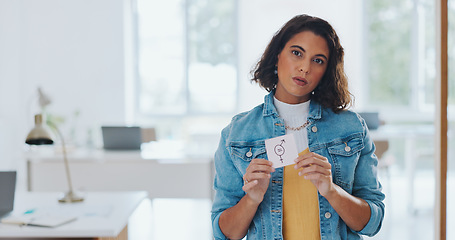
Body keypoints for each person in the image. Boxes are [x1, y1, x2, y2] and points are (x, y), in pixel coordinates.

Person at [211, 14, 385, 240]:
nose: (304, 67)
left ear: (326, 71)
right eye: (297, 53)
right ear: (277, 56)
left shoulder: (351, 128)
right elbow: (223, 233)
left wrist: (332, 191)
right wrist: (251, 199)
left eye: (318, 60)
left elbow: (373, 223)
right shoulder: (236, 134)